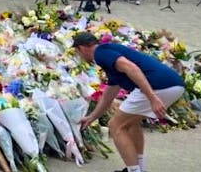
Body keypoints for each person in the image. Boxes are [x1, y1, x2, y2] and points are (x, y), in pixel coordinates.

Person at [73, 32, 184, 172]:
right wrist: (92, 117)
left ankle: (134, 170)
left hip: (158, 86)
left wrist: (152, 98)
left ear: (82, 48)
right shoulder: (108, 54)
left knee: (115, 126)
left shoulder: (100, 53)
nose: (79, 56)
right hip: (174, 84)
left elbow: (131, 68)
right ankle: (139, 168)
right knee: (130, 124)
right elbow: (108, 95)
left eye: (77, 52)